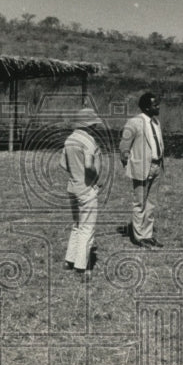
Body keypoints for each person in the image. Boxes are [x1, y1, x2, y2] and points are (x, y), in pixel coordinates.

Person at [119, 92, 164, 246]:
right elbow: (124, 146)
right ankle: (138, 237)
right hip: (142, 167)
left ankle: (148, 234)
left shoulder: (156, 122)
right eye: (155, 104)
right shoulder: (134, 122)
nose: (158, 107)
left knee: (151, 203)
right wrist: (130, 163)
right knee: (140, 203)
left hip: (157, 166)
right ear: (146, 107)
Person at [62, 107, 102, 277]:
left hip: (72, 187)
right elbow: (88, 165)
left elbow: (62, 164)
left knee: (77, 225)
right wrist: (93, 178)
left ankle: (69, 260)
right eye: (94, 124)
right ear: (88, 125)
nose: (95, 127)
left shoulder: (69, 140)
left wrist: (75, 174)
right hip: (86, 188)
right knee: (87, 227)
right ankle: (82, 266)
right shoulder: (88, 140)